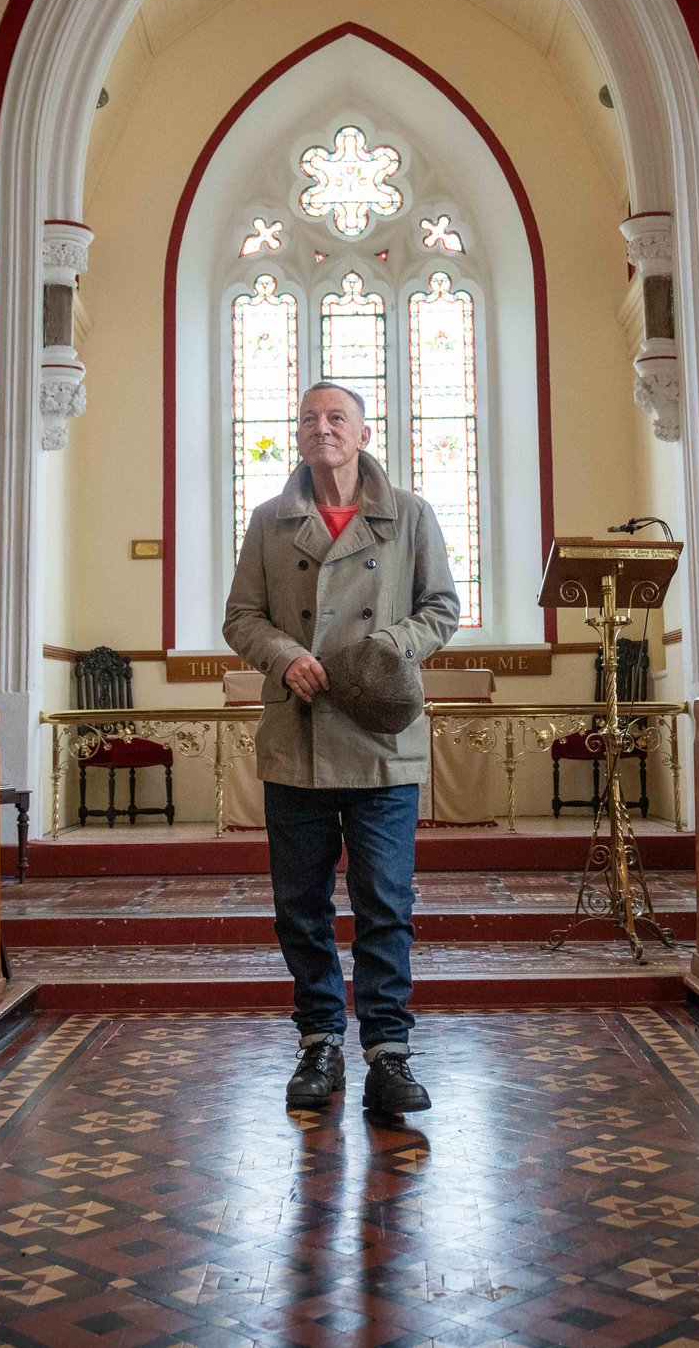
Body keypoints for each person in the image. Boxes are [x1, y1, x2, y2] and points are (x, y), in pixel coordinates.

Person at [223, 380, 459, 1114]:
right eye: (308, 418)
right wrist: (284, 654)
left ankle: (388, 1052)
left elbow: (442, 608)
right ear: (298, 434)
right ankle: (319, 1040)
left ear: (362, 431)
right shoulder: (269, 521)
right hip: (297, 735)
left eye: (336, 418)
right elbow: (240, 617)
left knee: (384, 900)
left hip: (381, 738)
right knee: (300, 904)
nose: (320, 429)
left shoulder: (411, 514)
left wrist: (390, 644)